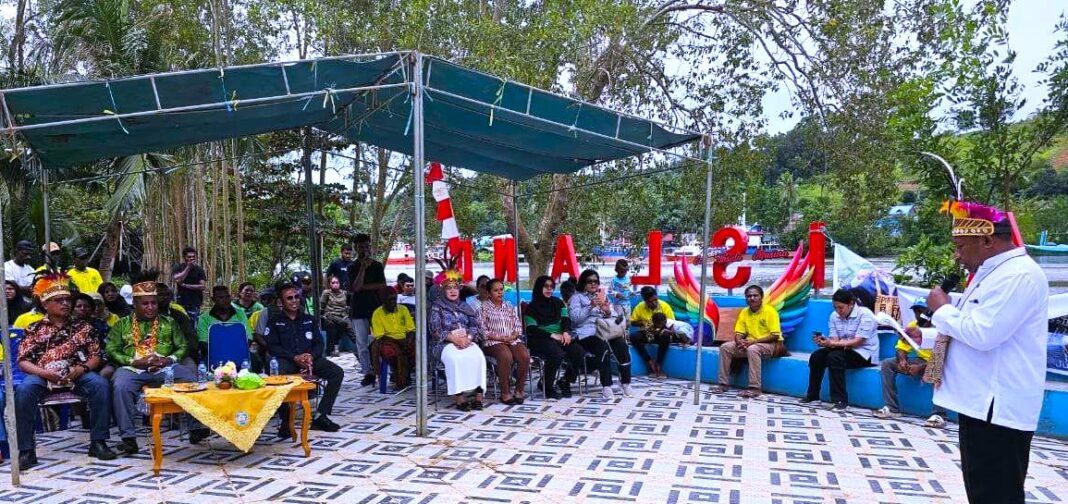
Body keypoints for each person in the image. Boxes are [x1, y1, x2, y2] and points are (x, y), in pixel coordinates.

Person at [923, 200, 1048, 504]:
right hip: (979, 404)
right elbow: (970, 326)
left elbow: (983, 334)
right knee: (983, 492)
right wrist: (926, 335)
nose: (957, 254)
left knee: (996, 494)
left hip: (998, 407)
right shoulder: (992, 272)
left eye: (961, 246)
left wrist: (941, 310)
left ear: (988, 240)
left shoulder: (1018, 275)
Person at [14, 273, 117, 468]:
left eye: (67, 300)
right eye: (58, 300)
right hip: (43, 375)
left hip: (77, 374)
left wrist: (81, 369)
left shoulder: (83, 327)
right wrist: (45, 374)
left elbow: (96, 356)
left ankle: (98, 442)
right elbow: (23, 361)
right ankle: (26, 451)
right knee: (24, 391)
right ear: (45, 304)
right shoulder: (34, 329)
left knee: (101, 385)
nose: (65, 304)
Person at [107, 271, 207, 455]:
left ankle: (196, 428)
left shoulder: (169, 322)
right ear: (135, 304)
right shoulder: (122, 324)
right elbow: (111, 350)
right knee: (120, 386)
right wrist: (132, 361)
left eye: (153, 303)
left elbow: (183, 345)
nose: (151, 307)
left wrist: (169, 359)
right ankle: (128, 438)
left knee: (192, 379)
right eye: (145, 303)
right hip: (133, 367)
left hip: (165, 366)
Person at [265, 283, 344, 435]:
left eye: (296, 297)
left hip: (309, 360)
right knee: (277, 377)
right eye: (289, 298)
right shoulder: (274, 321)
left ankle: (321, 416)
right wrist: (295, 357)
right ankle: (286, 420)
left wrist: (310, 356)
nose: (294, 301)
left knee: (336, 372)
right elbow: (272, 346)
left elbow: (319, 343)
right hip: (287, 361)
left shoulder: (309, 319)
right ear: (281, 302)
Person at [874, 300, 947, 427]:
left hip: (940, 363)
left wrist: (921, 367)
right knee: (887, 364)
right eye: (916, 311)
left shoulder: (941, 327)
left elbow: (944, 357)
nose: (918, 314)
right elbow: (901, 348)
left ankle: (939, 414)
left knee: (939, 369)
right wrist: (903, 361)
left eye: (921, 311)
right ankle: (892, 408)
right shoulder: (914, 325)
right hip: (920, 361)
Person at [803, 288, 879, 410]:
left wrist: (832, 343)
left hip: (864, 353)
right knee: (817, 356)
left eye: (841, 307)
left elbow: (858, 341)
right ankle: (813, 396)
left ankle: (840, 400)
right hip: (843, 349)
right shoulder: (834, 316)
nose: (838, 311)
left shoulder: (865, 315)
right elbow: (835, 340)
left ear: (851, 304)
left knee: (835, 357)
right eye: (835, 307)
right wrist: (826, 342)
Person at [569, 269, 633, 399]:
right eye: (589, 281)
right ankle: (606, 385)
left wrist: (607, 311)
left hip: (606, 330)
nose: (593, 284)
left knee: (621, 345)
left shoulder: (602, 296)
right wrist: (590, 306)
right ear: (583, 283)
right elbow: (574, 318)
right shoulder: (576, 298)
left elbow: (614, 316)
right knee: (602, 347)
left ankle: (625, 382)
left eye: (595, 281)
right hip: (587, 333)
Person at [713, 285, 786, 398]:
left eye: (755, 295)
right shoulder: (744, 312)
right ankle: (723, 384)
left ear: (761, 297)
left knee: (753, 349)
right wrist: (739, 342)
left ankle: (755, 388)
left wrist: (752, 342)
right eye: (749, 296)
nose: (752, 298)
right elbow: (739, 333)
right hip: (750, 343)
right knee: (725, 347)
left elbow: (774, 336)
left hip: (772, 345)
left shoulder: (770, 311)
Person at [429, 270, 487, 410]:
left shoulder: (465, 306)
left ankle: (478, 397)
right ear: (443, 290)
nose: (453, 291)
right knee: (455, 359)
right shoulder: (437, 307)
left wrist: (469, 338)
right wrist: (454, 339)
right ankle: (459, 398)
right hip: (444, 343)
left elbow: (474, 326)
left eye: (455, 287)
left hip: (466, 340)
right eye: (449, 288)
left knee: (478, 356)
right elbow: (435, 330)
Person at [525, 275, 586, 399]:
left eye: (551, 287)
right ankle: (547, 386)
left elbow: (565, 319)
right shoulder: (532, 307)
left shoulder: (558, 303)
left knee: (578, 351)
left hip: (559, 336)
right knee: (556, 354)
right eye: (546, 286)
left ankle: (565, 381)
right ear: (539, 288)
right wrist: (552, 335)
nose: (549, 289)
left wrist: (565, 332)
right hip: (539, 339)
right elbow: (531, 329)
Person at [479, 278, 530, 405]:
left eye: (501, 290)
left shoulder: (508, 306)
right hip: (493, 342)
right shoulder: (484, 308)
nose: (500, 293)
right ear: (489, 293)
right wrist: (499, 338)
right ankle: (505, 393)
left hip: (511, 340)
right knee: (505, 356)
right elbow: (482, 330)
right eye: (496, 290)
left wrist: (512, 336)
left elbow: (518, 326)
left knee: (524, 356)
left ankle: (519, 390)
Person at [347, 233, 388, 386]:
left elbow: (382, 285)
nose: (365, 249)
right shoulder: (352, 267)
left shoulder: (377, 265)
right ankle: (367, 373)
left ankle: (382, 370)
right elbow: (354, 288)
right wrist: (363, 269)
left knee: (380, 339)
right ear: (356, 248)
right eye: (361, 247)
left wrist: (362, 287)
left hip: (376, 308)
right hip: (358, 309)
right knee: (361, 344)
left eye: (367, 246)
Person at [370, 287, 416, 389]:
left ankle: (405, 375)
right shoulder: (377, 314)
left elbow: (411, 329)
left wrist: (407, 342)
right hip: (387, 341)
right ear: (383, 301)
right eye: (390, 300)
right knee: (392, 352)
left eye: (394, 299)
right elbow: (380, 336)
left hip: (405, 338)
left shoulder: (403, 309)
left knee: (416, 350)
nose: (393, 302)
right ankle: (398, 378)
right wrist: (399, 344)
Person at [629, 286, 678, 377]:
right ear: (645, 301)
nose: (654, 303)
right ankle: (649, 362)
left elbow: (672, 324)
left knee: (666, 335)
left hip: (661, 334)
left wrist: (661, 329)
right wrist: (642, 323)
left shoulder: (664, 306)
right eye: (650, 301)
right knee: (633, 336)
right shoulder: (640, 307)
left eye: (655, 299)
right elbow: (632, 322)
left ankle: (658, 363)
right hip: (648, 333)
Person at [196, 285, 250, 367]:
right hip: (215, 356)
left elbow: (248, 338)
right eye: (221, 297)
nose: (226, 300)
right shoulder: (204, 318)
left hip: (238, 353)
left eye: (227, 297)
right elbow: (204, 343)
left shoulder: (240, 313)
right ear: (213, 299)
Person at [73, 293, 115, 379]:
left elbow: (109, 347)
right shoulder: (69, 326)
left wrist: (97, 361)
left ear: (92, 309)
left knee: (106, 373)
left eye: (86, 306)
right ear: (72, 309)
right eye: (79, 306)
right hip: (76, 363)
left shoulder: (101, 324)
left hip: (101, 362)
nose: (82, 309)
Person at [156, 283, 198, 367]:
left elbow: (191, 339)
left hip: (178, 357)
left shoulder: (179, 315)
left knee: (190, 368)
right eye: (160, 294)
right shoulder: (144, 315)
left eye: (167, 294)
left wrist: (175, 356)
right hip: (149, 358)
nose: (164, 297)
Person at [321, 276, 352, 357]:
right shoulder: (327, 293)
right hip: (330, 315)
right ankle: (332, 349)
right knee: (334, 325)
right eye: (333, 283)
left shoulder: (344, 293)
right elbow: (322, 306)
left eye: (337, 282)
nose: (335, 284)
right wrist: (322, 316)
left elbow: (348, 305)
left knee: (350, 329)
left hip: (342, 315)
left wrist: (347, 314)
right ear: (330, 284)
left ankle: (361, 349)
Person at [171, 246, 206, 320]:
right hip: (181, 303)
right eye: (189, 257)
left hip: (195, 303)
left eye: (193, 256)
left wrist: (185, 285)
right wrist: (188, 268)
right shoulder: (178, 267)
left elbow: (202, 286)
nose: (191, 258)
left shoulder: (199, 270)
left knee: (193, 325)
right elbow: (178, 279)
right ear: (184, 257)